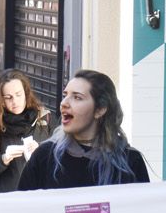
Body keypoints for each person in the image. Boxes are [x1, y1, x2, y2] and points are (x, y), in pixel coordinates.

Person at [17, 71, 149, 191]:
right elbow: (23, 205)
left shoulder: (131, 161)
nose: (64, 103)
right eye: (65, 95)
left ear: (100, 110)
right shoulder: (44, 157)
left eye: (77, 97)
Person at [0, 71, 57, 194]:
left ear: (26, 93)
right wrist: (3, 159)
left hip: (39, 197)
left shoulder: (45, 119)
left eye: (18, 95)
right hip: (5, 199)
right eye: (8, 97)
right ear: (0, 100)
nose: (15, 101)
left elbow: (60, 159)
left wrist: (41, 150)